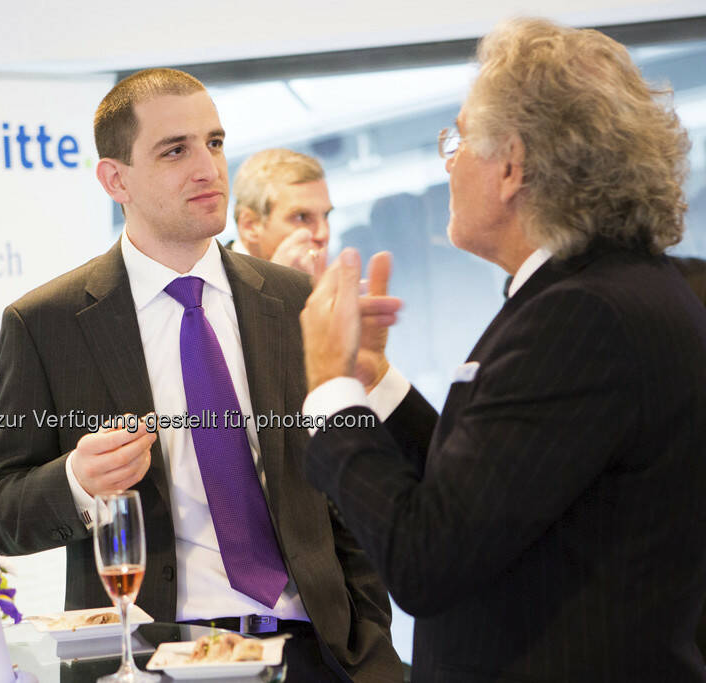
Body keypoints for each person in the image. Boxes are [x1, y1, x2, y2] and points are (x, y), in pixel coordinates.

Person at [298, 18, 706, 682]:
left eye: (458, 139)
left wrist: (326, 384)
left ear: (511, 166)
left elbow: (426, 559)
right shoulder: (611, 291)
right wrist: (370, 376)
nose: (449, 159)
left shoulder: (582, 316)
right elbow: (491, 491)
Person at [0, 68, 402, 682]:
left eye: (216, 143)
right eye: (175, 150)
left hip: (317, 654)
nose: (207, 167)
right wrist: (77, 480)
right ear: (115, 179)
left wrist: (373, 650)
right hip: (150, 661)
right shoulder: (47, 323)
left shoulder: (295, 301)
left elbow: (345, 494)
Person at [231, 148, 332, 280]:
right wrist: (281, 283)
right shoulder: (214, 285)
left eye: (325, 215)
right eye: (301, 217)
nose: (323, 234)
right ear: (250, 226)